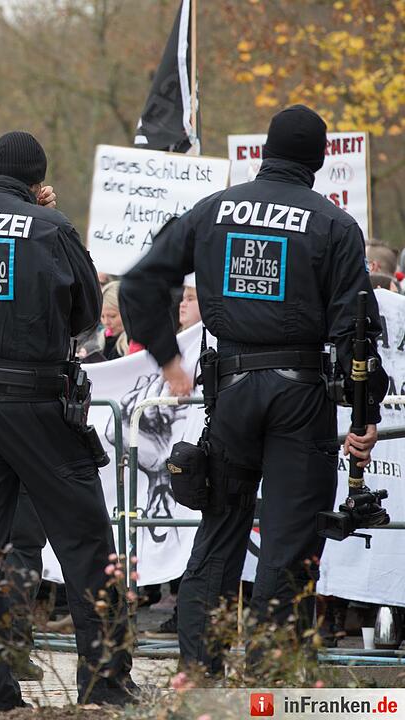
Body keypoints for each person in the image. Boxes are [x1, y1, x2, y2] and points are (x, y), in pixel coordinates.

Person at [120, 104, 388, 675]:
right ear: (319, 160)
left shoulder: (213, 210)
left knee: (220, 532)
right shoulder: (335, 224)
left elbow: (140, 281)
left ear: (266, 151)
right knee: (289, 542)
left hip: (232, 392)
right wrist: (364, 416)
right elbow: (357, 332)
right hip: (301, 396)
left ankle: (199, 674)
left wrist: (169, 360)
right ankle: (272, 678)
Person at [0, 131, 134, 709]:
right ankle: (105, 682)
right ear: (38, 179)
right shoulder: (51, 227)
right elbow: (87, 314)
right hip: (36, 402)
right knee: (85, 540)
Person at [100, 281, 129, 360]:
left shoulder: (136, 343)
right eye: (102, 316)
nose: (106, 322)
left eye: (112, 316)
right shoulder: (99, 340)